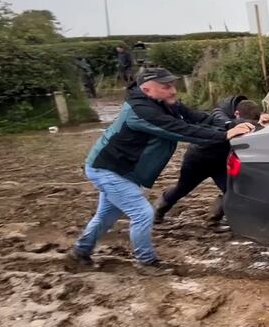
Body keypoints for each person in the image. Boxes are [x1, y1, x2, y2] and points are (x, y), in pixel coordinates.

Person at [68, 68, 254, 270]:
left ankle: (80, 251)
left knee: (106, 216)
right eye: (166, 87)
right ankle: (147, 262)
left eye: (173, 85)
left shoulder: (163, 102)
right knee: (142, 213)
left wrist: (231, 124)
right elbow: (179, 130)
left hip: (123, 170)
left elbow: (198, 117)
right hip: (108, 169)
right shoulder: (141, 111)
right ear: (147, 89)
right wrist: (224, 135)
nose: (173, 90)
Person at [154, 97, 262, 226]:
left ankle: (214, 218)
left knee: (231, 190)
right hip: (198, 160)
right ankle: (156, 211)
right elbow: (222, 120)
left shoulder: (240, 115)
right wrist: (245, 124)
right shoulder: (219, 114)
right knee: (182, 188)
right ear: (237, 114)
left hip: (220, 161)